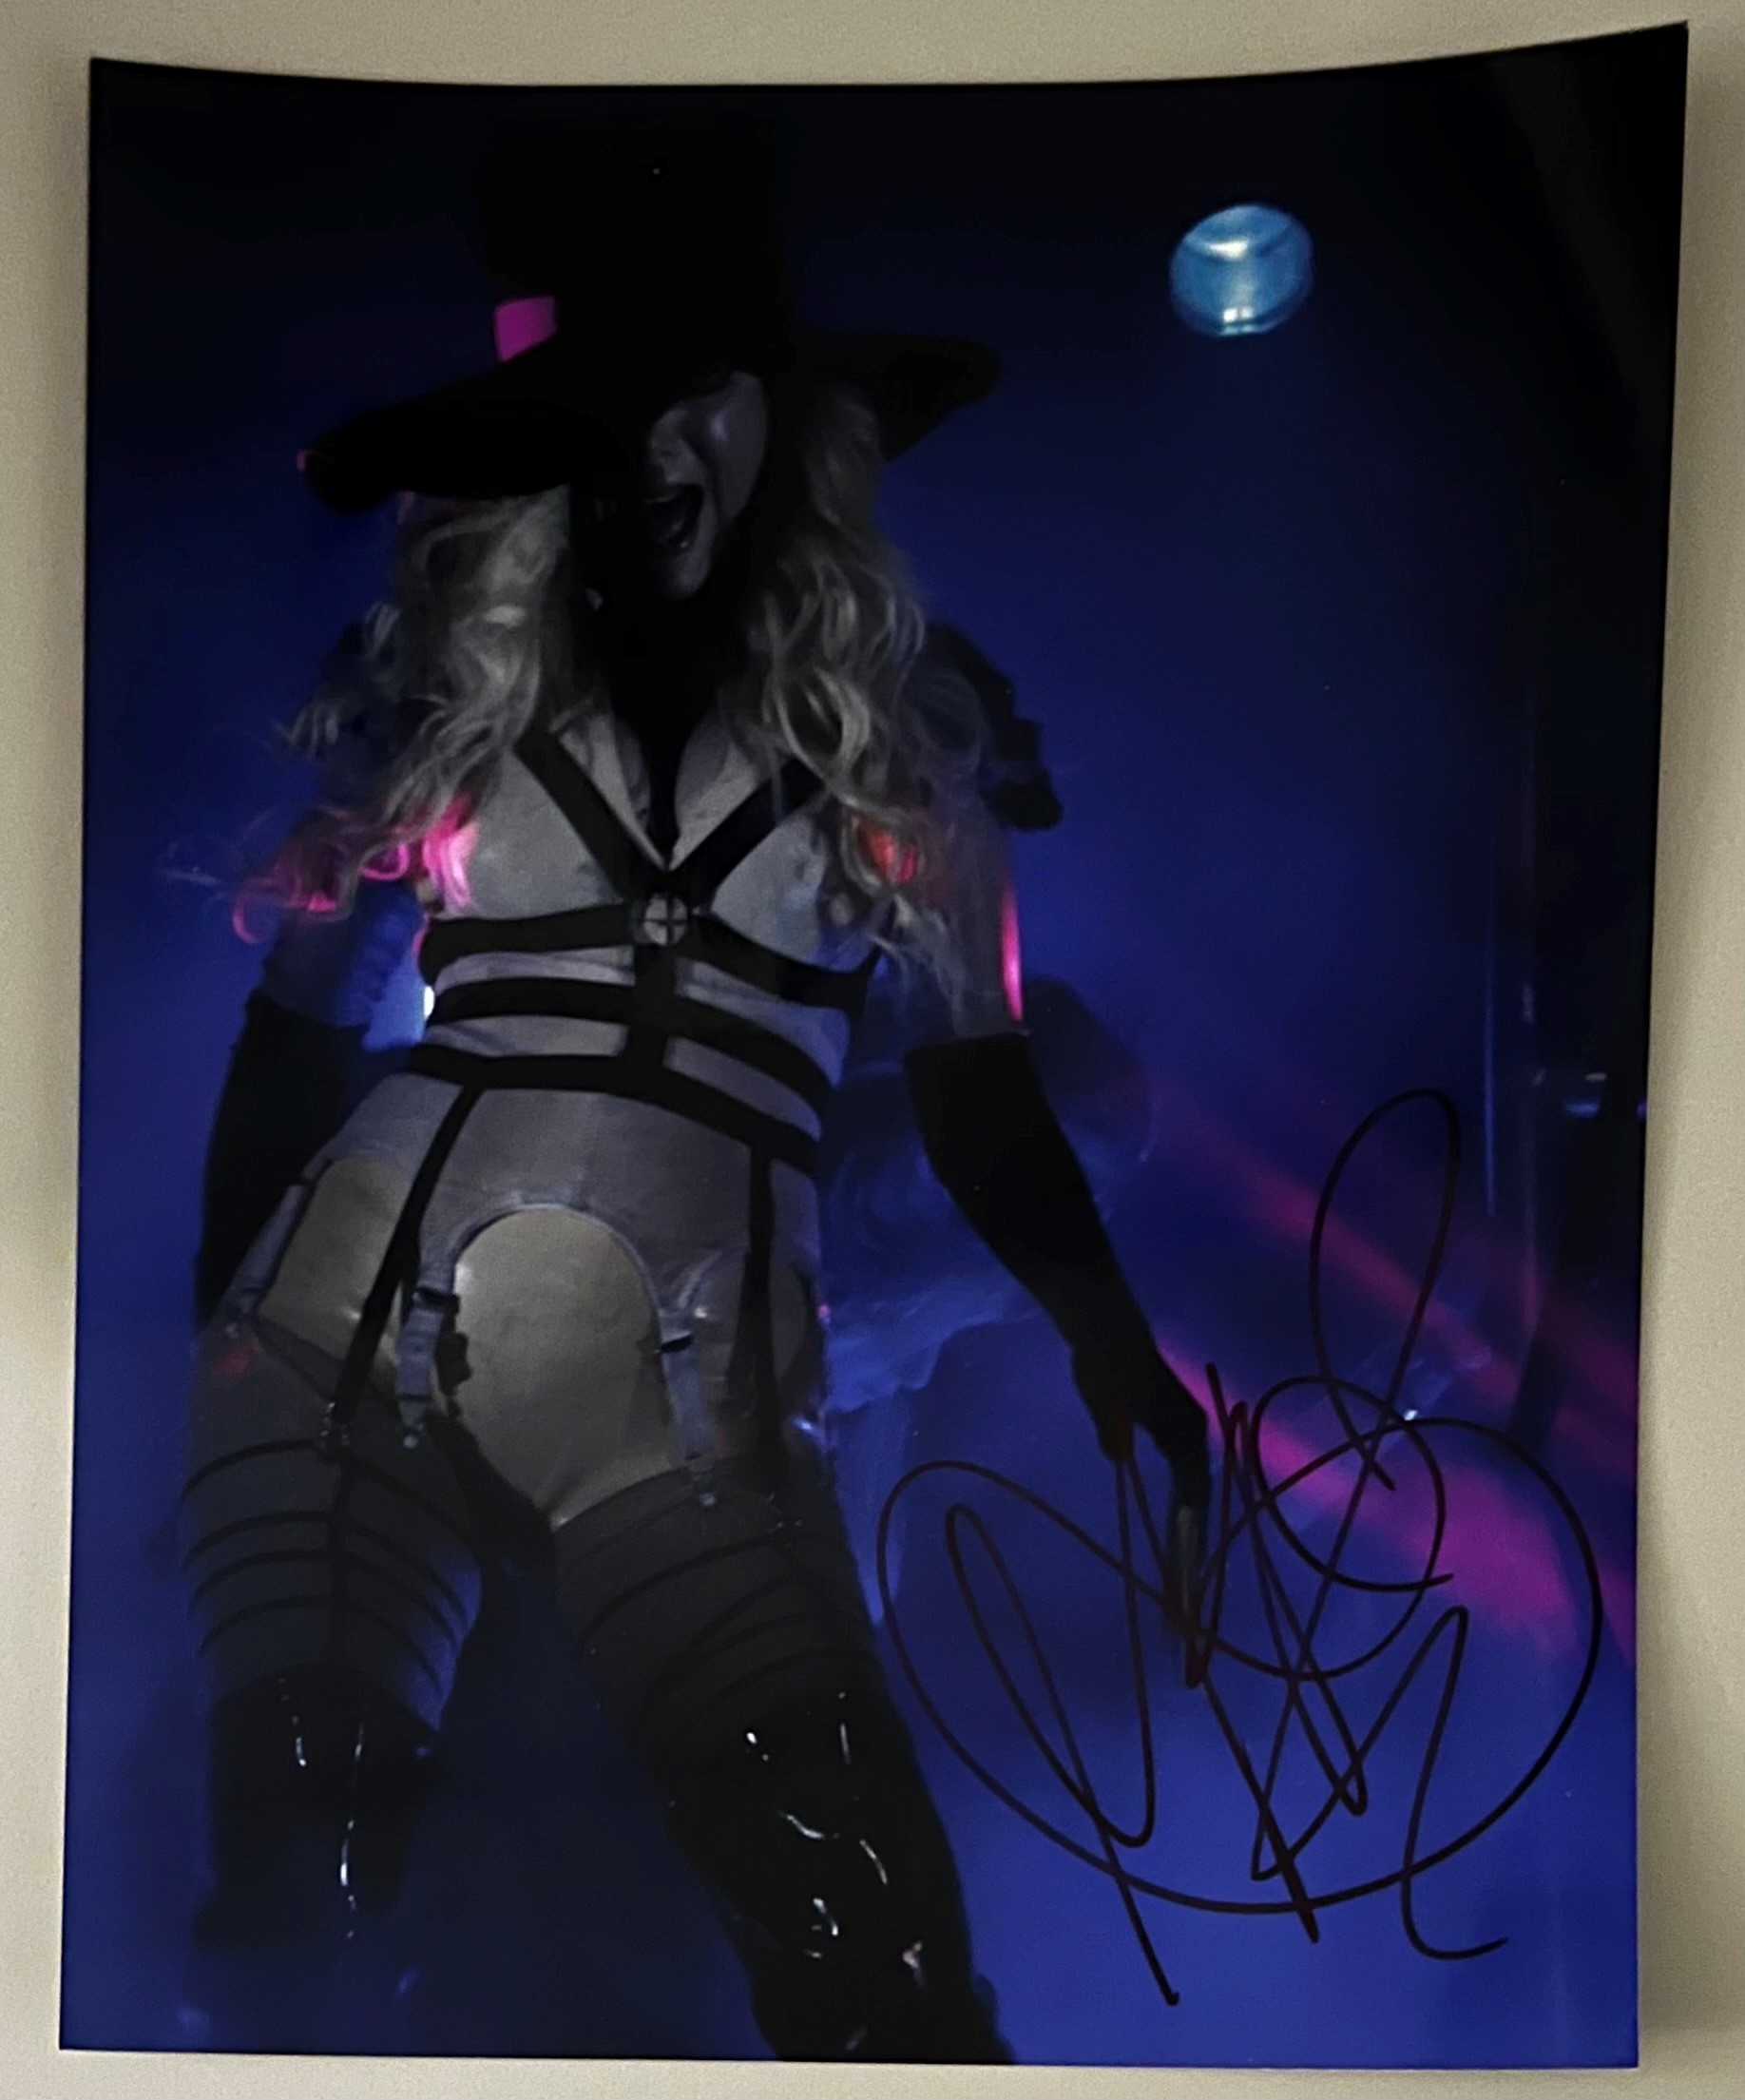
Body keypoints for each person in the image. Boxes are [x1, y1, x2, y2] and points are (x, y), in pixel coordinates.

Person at [177, 128, 1211, 2064]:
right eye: (600, 406)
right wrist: (206, 1349)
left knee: (881, 1975)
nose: (648, 448)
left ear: (778, 425)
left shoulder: (899, 741)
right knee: (302, 1938)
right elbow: (292, 1046)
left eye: (695, 398)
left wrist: (1108, 1333)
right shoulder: (441, 702)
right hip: (340, 1356)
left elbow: (993, 1085)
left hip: (685, 1405)